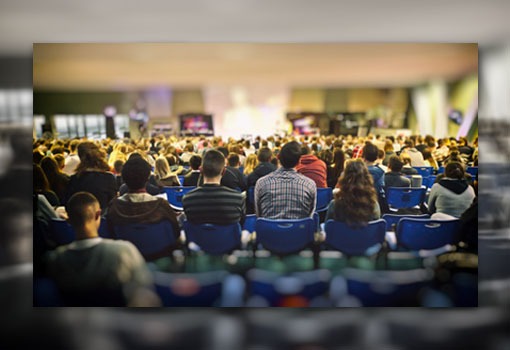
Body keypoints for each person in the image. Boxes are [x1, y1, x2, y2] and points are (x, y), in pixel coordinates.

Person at [45, 192, 160, 306]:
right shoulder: (123, 251)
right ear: (97, 214)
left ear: (68, 220)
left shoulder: (54, 260)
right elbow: (145, 294)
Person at [106, 156, 180, 246]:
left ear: (124, 179)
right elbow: (175, 233)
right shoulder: (161, 206)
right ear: (148, 178)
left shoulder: (114, 207)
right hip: (159, 253)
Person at [255, 141, 316, 219]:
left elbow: (258, 215)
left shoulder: (261, 183)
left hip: (269, 230)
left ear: (278, 157)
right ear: (299, 161)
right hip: (299, 230)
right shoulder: (310, 185)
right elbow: (310, 217)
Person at [182, 150, 246, 225]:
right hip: (226, 237)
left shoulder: (188, 199)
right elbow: (240, 226)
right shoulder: (237, 199)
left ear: (201, 170)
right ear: (223, 171)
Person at [325, 159, 380, 227]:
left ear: (344, 179)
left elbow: (327, 229)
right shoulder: (374, 206)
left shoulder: (334, 205)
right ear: (367, 180)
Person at [64, 141, 117, 210]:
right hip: (104, 218)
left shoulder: (74, 179)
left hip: (81, 218)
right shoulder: (109, 178)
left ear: (80, 157)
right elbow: (113, 204)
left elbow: (68, 204)